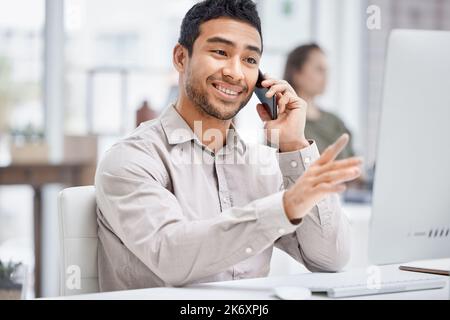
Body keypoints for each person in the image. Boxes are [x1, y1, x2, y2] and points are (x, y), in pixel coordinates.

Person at [95, 0, 362, 292]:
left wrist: (294, 144)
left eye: (250, 60)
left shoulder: (263, 166)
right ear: (181, 58)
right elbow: (171, 256)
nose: (235, 73)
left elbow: (331, 259)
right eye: (220, 52)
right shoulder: (131, 159)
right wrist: (282, 209)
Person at [284, 43, 355, 160]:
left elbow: (355, 164)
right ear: (296, 73)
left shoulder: (335, 121)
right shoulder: (281, 123)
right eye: (319, 69)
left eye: (326, 70)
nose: (326, 76)